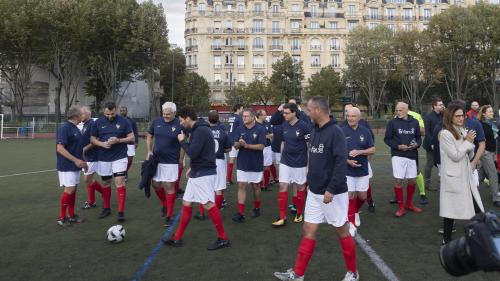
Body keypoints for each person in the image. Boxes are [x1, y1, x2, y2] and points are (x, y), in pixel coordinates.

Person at [274, 96, 357, 281]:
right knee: (308, 229)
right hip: (314, 192)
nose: (308, 113)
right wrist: (309, 181)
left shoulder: (335, 132)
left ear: (318, 110)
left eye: (310, 110)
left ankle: (352, 272)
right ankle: (298, 274)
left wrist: (331, 189)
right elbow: (313, 159)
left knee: (342, 231)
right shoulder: (314, 130)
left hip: (333, 193)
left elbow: (340, 162)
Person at [163, 106, 230, 251]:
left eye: (181, 120)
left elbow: (193, 152)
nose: (180, 123)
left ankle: (223, 238)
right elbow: (203, 152)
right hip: (198, 171)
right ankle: (178, 237)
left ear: (187, 118)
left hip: (203, 174)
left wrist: (182, 141)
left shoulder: (200, 130)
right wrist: (193, 168)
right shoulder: (199, 129)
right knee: (187, 203)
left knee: (208, 204)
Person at [439, 104, 484, 244]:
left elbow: (468, 153)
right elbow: (455, 156)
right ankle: (446, 239)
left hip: (465, 175)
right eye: (457, 116)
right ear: (450, 116)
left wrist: (470, 144)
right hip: (453, 176)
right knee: (449, 210)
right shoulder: (445, 134)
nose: (461, 118)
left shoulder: (463, 130)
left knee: (476, 206)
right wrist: (468, 142)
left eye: (462, 115)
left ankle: (480, 236)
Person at [91, 101, 134, 221]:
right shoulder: (98, 122)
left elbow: (132, 137)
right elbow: (92, 139)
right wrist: (102, 144)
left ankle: (121, 212)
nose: (110, 116)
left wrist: (118, 140)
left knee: (119, 181)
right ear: (103, 111)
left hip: (119, 157)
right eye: (107, 114)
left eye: (112, 114)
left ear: (116, 110)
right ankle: (106, 208)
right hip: (103, 158)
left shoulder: (124, 121)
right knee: (106, 183)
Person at [146, 102, 185, 226]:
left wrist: (181, 159)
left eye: (168, 114)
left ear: (174, 113)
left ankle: (169, 214)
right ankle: (165, 204)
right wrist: (149, 151)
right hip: (157, 160)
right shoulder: (156, 122)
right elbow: (149, 136)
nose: (166, 116)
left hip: (171, 161)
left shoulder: (180, 124)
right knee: (156, 185)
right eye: (164, 113)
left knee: (169, 186)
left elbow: (183, 144)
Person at [272, 103, 310, 227]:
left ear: (294, 113)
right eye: (284, 112)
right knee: (282, 186)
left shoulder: (304, 126)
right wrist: (282, 157)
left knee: (300, 188)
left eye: (287, 113)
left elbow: (309, 146)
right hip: (286, 162)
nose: (284, 115)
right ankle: (282, 216)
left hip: (300, 163)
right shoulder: (284, 125)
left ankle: (299, 212)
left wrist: (309, 165)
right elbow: (283, 141)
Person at [384, 101, 423, 217]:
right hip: (398, 155)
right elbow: (387, 139)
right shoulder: (392, 123)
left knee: (412, 180)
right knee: (398, 180)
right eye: (397, 110)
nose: (398, 112)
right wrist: (397, 146)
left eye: (400, 110)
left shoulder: (415, 122)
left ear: (407, 110)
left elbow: (418, 138)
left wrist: (416, 144)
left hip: (412, 155)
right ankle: (401, 207)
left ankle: (409, 204)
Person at [342, 107, 375, 235]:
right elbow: (336, 150)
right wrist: (348, 160)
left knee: (362, 196)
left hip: (362, 169)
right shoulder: (341, 131)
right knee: (349, 195)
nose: (350, 118)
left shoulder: (365, 131)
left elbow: (372, 149)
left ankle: (354, 211)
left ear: (359, 118)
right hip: (347, 169)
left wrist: (360, 152)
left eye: (353, 116)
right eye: (348, 116)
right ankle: (351, 223)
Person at [195, 110, 232, 219]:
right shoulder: (222, 131)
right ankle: (216, 212)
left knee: (204, 187)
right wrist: (221, 150)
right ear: (218, 119)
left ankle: (201, 213)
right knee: (218, 188)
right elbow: (228, 148)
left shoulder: (203, 131)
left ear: (208, 119)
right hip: (219, 161)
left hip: (205, 161)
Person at [231, 109, 267, 222]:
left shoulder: (261, 129)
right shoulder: (239, 128)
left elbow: (261, 146)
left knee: (256, 186)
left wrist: (246, 146)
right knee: (241, 185)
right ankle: (240, 212)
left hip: (255, 163)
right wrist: (239, 144)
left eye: (246, 116)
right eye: (243, 116)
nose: (244, 118)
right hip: (242, 162)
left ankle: (257, 207)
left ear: (252, 117)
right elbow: (235, 146)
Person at [56, 106, 88, 226]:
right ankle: (62, 217)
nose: (82, 116)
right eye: (81, 114)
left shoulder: (75, 128)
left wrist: (83, 162)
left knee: (73, 189)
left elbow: (77, 148)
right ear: (75, 116)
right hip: (67, 165)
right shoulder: (64, 128)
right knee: (69, 189)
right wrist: (76, 160)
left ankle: (71, 215)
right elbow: (60, 148)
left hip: (75, 165)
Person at [80, 106, 104, 209]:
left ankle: (103, 192)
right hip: (87, 156)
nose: (80, 115)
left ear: (88, 114)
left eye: (82, 113)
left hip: (93, 156)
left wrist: (85, 148)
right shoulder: (84, 124)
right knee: (89, 179)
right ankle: (91, 201)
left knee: (87, 179)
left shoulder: (92, 124)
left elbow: (97, 139)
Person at [478, 105, 500, 207]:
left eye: (492, 111)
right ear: (483, 113)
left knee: (481, 175)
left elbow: (494, 139)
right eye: (489, 112)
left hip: (491, 152)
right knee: (493, 174)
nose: (492, 113)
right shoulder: (481, 124)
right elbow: (480, 140)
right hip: (485, 152)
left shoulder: (492, 123)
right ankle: (496, 198)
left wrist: (495, 154)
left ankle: (468, 190)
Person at [423, 99, 444, 191]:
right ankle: (427, 184)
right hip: (431, 144)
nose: (442, 106)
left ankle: (443, 183)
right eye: (439, 105)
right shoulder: (428, 116)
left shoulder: (444, 115)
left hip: (442, 144)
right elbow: (427, 132)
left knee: (442, 164)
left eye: (442, 104)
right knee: (430, 163)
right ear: (434, 106)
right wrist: (432, 143)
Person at [408, 109, 428, 205]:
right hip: (398, 151)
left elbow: (423, 131)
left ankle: (422, 194)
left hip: (412, 148)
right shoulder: (396, 116)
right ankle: (397, 196)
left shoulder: (415, 115)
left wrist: (410, 127)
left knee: (416, 171)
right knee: (399, 175)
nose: (398, 111)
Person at [256, 109, 274, 191]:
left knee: (267, 166)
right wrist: (265, 136)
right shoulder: (254, 125)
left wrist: (268, 136)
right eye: (264, 115)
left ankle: (265, 185)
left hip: (267, 147)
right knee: (258, 166)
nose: (266, 116)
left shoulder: (267, 123)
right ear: (259, 115)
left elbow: (272, 134)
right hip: (258, 147)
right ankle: (259, 183)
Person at [119, 106, 138, 178]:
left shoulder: (131, 121)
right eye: (121, 110)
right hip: (120, 143)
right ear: (119, 112)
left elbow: (135, 131)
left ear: (127, 111)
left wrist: (136, 142)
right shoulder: (117, 120)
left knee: (130, 159)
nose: (122, 112)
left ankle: (125, 171)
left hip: (130, 143)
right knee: (121, 160)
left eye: (124, 110)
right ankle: (123, 173)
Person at [227, 104, 244, 185]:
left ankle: (229, 179)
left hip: (230, 140)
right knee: (239, 160)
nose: (242, 110)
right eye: (242, 109)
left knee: (231, 160)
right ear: (238, 109)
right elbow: (242, 130)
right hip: (236, 141)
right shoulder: (239, 118)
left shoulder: (231, 117)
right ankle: (240, 178)